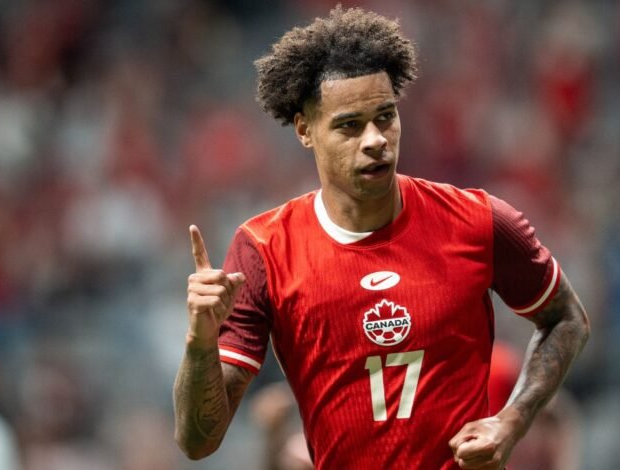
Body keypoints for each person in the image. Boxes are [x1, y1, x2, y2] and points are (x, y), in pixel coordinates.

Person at [173, 6, 590, 469]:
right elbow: (198, 442)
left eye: (385, 116)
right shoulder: (264, 250)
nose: (375, 139)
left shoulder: (479, 221)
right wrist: (200, 342)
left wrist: (511, 421)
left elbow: (566, 318)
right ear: (305, 129)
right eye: (350, 125)